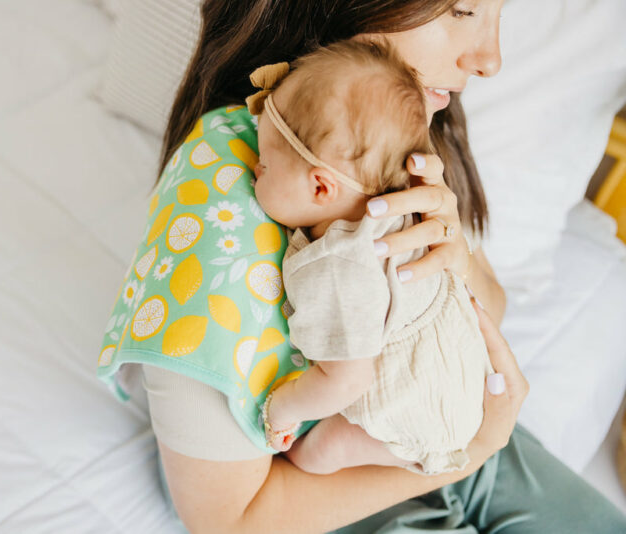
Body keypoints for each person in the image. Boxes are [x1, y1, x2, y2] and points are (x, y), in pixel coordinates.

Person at [97, 1, 626, 532]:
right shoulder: (229, 204)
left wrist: (454, 254)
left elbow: (494, 308)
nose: (491, 59)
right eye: (463, 10)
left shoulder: (384, 126)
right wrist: (468, 453)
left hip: (436, 422)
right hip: (330, 487)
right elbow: (230, 521)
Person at [249, 39, 493, 477]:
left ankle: (410, 455)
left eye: (264, 165)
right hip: (462, 377)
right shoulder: (401, 199)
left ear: (322, 188)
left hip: (420, 409)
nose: (252, 170)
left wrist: (281, 409)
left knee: (316, 453)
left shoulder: (335, 266)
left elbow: (346, 380)